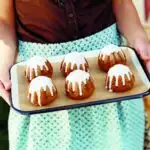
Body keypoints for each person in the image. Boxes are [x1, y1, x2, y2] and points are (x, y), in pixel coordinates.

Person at [0, 0, 150, 150]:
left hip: (111, 78)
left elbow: (122, 3)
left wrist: (140, 40)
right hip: (41, 91)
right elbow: (4, 21)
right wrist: (3, 62)